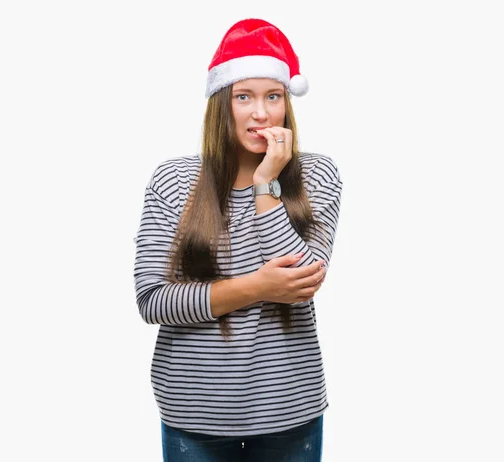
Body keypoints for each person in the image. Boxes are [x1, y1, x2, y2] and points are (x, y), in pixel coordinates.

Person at [133, 18, 343, 461]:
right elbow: (153, 301)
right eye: (243, 96)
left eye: (274, 97)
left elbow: (301, 286)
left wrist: (267, 183)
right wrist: (259, 288)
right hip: (194, 413)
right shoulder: (174, 180)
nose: (260, 113)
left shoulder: (318, 175)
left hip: (289, 409)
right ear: (221, 105)